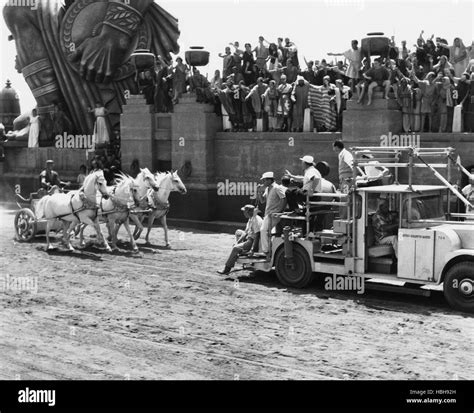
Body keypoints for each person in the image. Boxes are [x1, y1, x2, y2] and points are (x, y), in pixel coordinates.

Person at [217, 204, 263, 275]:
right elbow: (245, 232)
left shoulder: (256, 220)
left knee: (235, 248)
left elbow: (257, 235)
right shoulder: (251, 218)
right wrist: (238, 242)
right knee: (238, 232)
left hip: (251, 241)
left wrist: (253, 250)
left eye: (245, 211)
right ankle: (241, 250)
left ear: (249, 212)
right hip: (249, 238)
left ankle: (227, 269)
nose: (243, 213)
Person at [256, 172, 286, 258]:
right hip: (268, 214)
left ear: (269, 180)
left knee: (263, 230)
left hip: (273, 215)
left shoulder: (277, 188)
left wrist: (279, 211)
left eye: (264, 180)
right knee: (267, 232)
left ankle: (266, 251)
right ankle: (269, 249)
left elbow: (284, 199)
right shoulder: (267, 188)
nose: (263, 182)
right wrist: (259, 192)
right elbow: (262, 201)